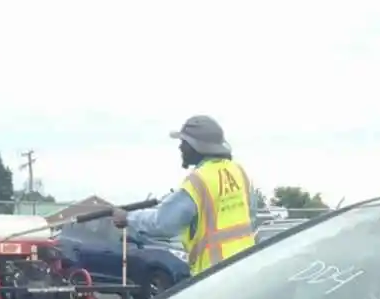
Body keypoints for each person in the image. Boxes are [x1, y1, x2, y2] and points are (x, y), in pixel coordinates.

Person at [111, 116, 266, 275]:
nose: (180, 147)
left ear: (196, 146)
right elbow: (250, 217)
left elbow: (163, 223)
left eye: (184, 143)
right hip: (245, 268)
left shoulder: (199, 180)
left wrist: (128, 218)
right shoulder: (238, 171)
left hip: (214, 274)